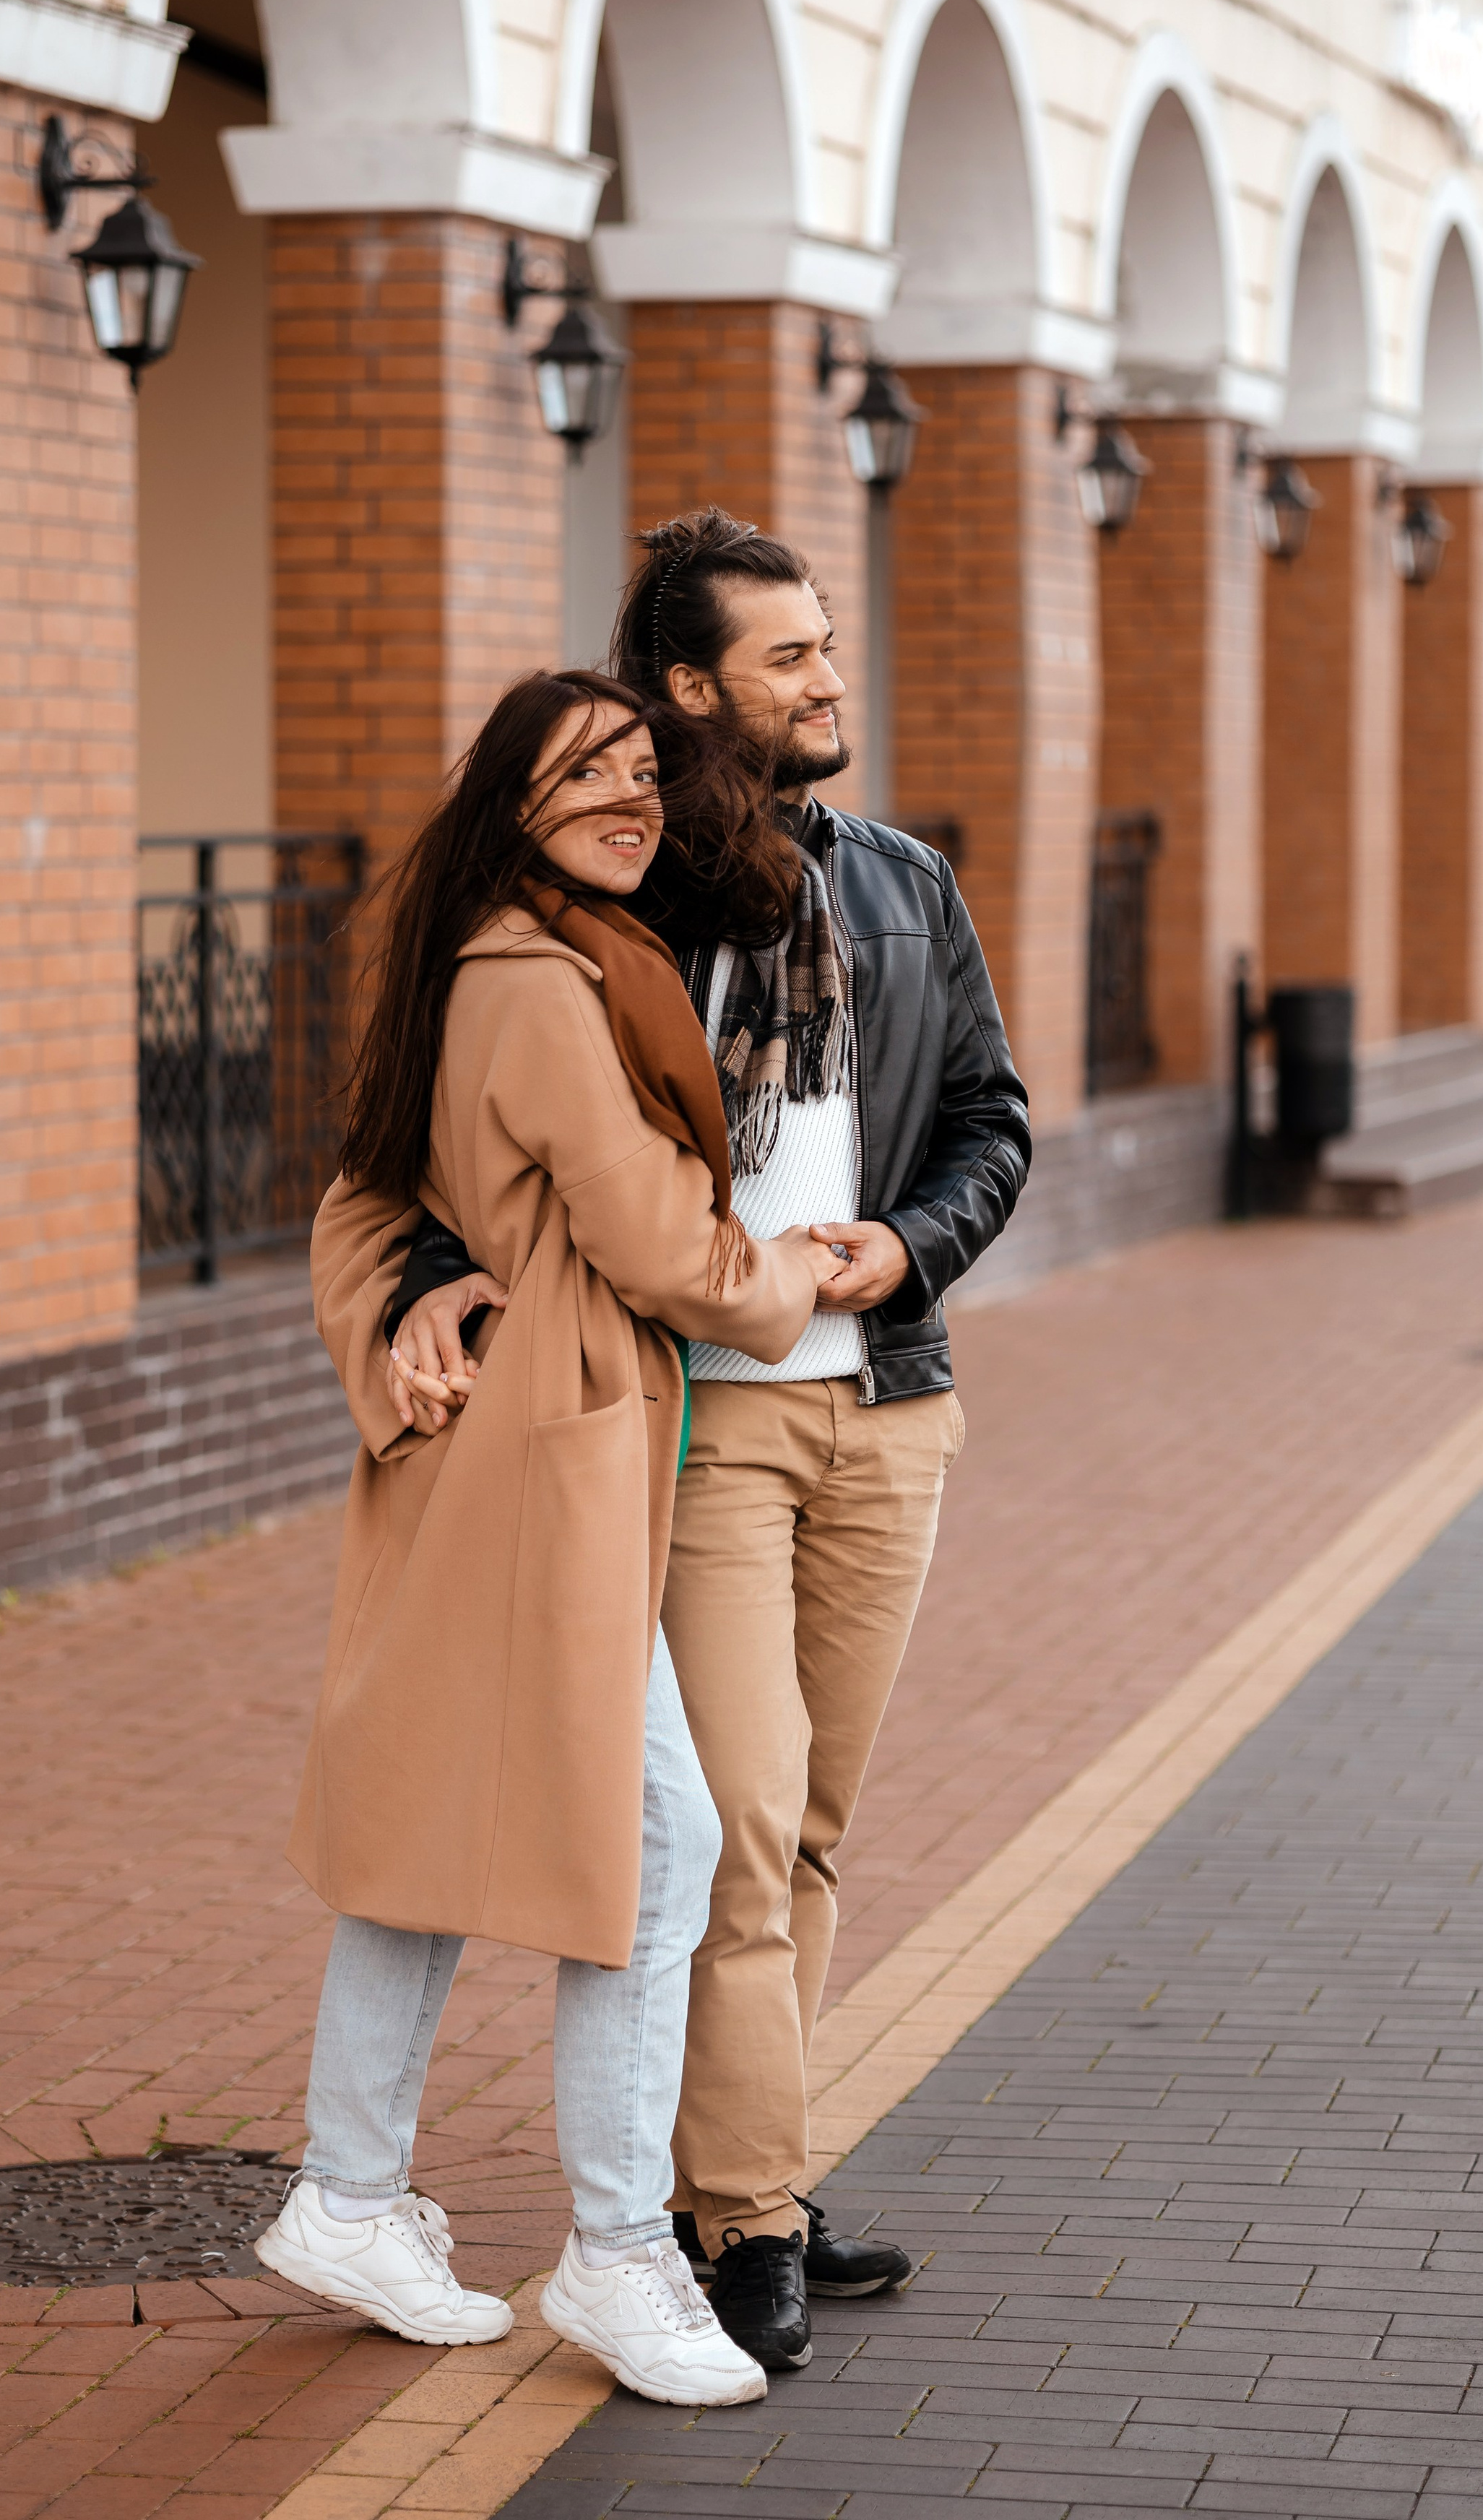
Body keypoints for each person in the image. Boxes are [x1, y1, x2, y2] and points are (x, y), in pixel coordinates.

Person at [382, 511, 1032, 2377]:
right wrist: (437, 1265)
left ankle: (736, 2178)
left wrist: (911, 1243)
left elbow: (988, 1111)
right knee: (738, 1831)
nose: (834, 679)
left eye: (832, 646)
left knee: (810, 1831)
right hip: (698, 1424)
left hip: (887, 1403)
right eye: (792, 658)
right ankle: (741, 2215)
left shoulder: (903, 880)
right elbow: (470, 1138)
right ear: (689, 686)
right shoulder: (616, 902)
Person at [256, 668, 842, 2409]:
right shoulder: (539, 979)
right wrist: (794, 1275)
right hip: (538, 1449)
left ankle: (351, 2194)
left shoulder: (522, 954)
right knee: (657, 1847)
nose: (628, 795)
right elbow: (655, 1235)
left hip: (527, 1439)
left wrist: (426, 1288)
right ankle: (613, 2250)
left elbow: (385, 1189)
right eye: (587, 768)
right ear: (511, 795)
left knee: (440, 1825)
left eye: (644, 771)